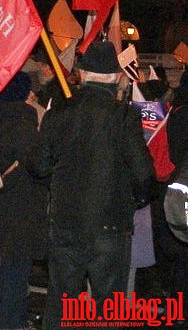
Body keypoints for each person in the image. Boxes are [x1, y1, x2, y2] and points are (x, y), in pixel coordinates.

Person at [28, 40, 155, 329]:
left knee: (60, 305)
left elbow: (37, 165)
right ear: (117, 78)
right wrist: (134, 200)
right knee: (107, 311)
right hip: (110, 227)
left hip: (65, 224)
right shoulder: (123, 116)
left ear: (82, 75)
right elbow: (144, 175)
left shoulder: (59, 113)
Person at [0, 71, 46, 330]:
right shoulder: (23, 123)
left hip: (1, 201)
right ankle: (12, 321)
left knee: (8, 264)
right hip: (24, 204)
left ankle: (8, 316)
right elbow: (39, 164)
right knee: (17, 268)